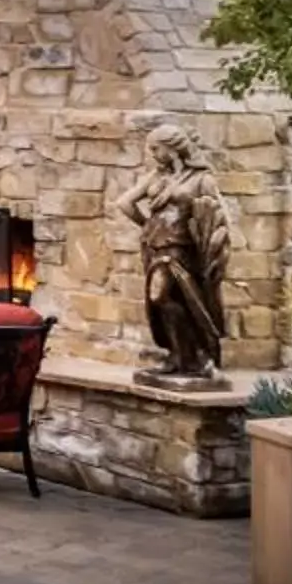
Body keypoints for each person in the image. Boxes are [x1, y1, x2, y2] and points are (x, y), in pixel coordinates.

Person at [110, 121, 232, 386]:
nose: (153, 154)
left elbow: (219, 217)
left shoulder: (202, 179)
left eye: (156, 148)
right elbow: (124, 203)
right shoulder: (156, 177)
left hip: (180, 247)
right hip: (154, 245)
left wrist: (216, 251)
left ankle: (196, 354)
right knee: (161, 301)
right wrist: (147, 225)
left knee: (164, 295)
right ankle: (180, 356)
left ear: (173, 149)